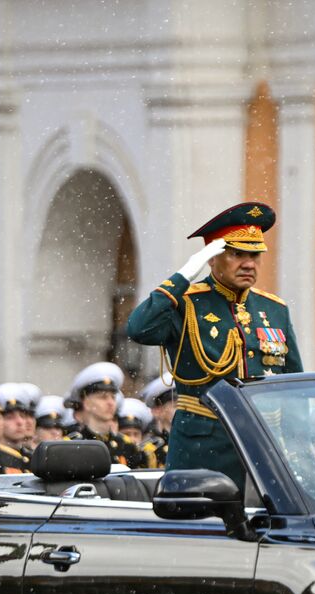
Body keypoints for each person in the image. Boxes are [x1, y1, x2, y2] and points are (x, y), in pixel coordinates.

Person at [127, 201, 302, 489]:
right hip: (203, 446)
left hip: (265, 444)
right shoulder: (186, 303)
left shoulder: (274, 309)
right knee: (200, 524)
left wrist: (298, 449)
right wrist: (184, 275)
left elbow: (292, 385)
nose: (249, 263)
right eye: (237, 254)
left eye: (255, 255)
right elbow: (138, 328)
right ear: (212, 258)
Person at [64, 363, 147, 468]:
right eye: (103, 397)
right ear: (87, 403)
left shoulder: (127, 446)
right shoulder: (71, 445)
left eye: (113, 397)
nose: (110, 403)